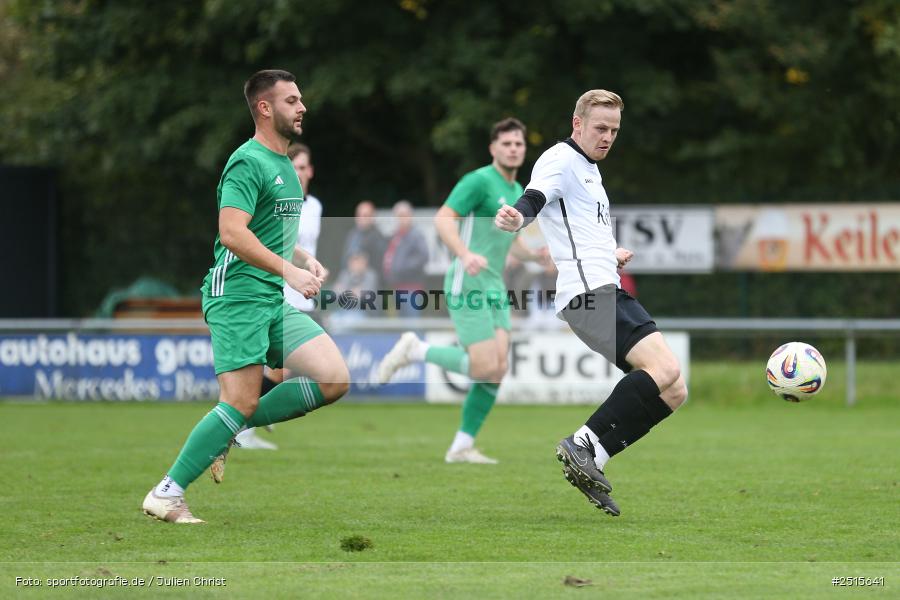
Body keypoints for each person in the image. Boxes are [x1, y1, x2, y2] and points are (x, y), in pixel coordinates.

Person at [141, 69, 350, 524]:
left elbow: (268, 230)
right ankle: (167, 493)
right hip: (236, 296)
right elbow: (232, 233)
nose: (302, 107)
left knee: (334, 379)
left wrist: (302, 256)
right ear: (265, 107)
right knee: (239, 402)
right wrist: (289, 271)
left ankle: (227, 432)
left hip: (269, 297)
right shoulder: (247, 160)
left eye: (301, 100)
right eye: (292, 100)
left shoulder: (285, 166)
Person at [495, 90, 687, 516]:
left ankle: (593, 459)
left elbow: (578, 230)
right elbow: (536, 197)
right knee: (665, 369)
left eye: (614, 130)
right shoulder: (560, 158)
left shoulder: (590, 172)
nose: (608, 136)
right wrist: (518, 217)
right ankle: (583, 442)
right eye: (600, 127)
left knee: (675, 390)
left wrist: (610, 252)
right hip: (588, 295)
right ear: (576, 123)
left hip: (603, 285)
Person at [379, 118, 545, 463]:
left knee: (497, 369)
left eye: (519, 144)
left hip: (495, 285)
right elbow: (443, 219)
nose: (514, 148)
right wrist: (465, 254)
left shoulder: (519, 193)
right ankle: (416, 350)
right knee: (485, 365)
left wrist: (534, 256)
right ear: (493, 148)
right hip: (467, 281)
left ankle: (461, 446)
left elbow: (510, 244)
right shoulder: (478, 180)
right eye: (507, 143)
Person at [238, 142, 326, 451]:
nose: (301, 172)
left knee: (288, 369)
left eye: (305, 167)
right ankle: (246, 423)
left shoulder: (314, 207)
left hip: (306, 291)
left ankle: (247, 422)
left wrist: (313, 265)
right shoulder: (280, 201)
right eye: (297, 167)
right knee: (290, 369)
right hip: (282, 289)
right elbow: (272, 243)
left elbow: (300, 246)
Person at [382, 200, 429, 318]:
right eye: (399, 216)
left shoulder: (416, 234)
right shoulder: (396, 235)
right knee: (402, 325)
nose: (401, 219)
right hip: (398, 287)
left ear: (410, 216)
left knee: (413, 323)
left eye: (404, 215)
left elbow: (423, 257)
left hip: (411, 288)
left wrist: (401, 269)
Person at [342, 200, 387, 284]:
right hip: (350, 280)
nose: (361, 218)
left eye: (365, 215)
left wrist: (362, 265)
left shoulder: (378, 237)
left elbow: (381, 266)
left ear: (372, 217)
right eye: (359, 215)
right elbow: (344, 260)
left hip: (371, 286)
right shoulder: (352, 235)